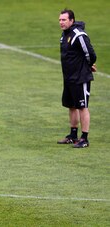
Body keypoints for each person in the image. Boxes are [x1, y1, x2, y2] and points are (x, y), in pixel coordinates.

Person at [57, 9, 97, 148]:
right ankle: (73, 136)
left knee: (82, 106)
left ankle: (84, 139)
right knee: (71, 106)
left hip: (80, 78)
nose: (61, 22)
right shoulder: (64, 35)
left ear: (72, 20)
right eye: (60, 20)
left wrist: (89, 65)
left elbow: (90, 53)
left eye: (64, 20)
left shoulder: (79, 35)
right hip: (68, 78)